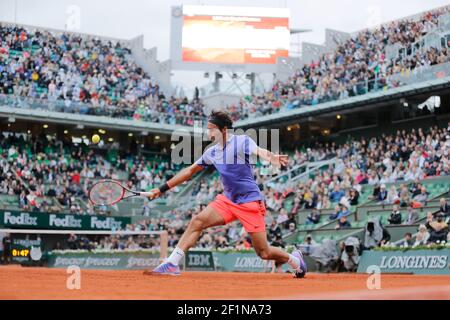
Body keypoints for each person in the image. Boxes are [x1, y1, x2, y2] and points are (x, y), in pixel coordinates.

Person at [145, 111, 307, 278]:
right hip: (228, 201)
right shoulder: (212, 152)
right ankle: (172, 263)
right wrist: (161, 189)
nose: (209, 133)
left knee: (263, 253)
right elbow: (189, 171)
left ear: (224, 130)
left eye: (212, 129)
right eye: (207, 129)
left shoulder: (242, 141)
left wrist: (271, 157)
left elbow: (258, 150)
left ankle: (294, 260)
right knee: (197, 221)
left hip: (250, 202)